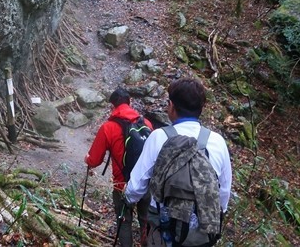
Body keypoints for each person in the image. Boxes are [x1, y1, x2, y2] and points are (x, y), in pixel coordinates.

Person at [123, 78, 232, 247]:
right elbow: (223, 193)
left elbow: (136, 187)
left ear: (172, 106)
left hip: (164, 229)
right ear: (201, 108)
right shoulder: (217, 141)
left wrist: (128, 199)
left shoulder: (159, 137)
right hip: (200, 235)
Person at [85, 87, 154, 247]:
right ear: (130, 102)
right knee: (146, 220)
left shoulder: (108, 128)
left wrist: (87, 159)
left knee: (124, 223)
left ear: (112, 106)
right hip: (146, 183)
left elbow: (94, 160)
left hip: (122, 185)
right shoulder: (147, 124)